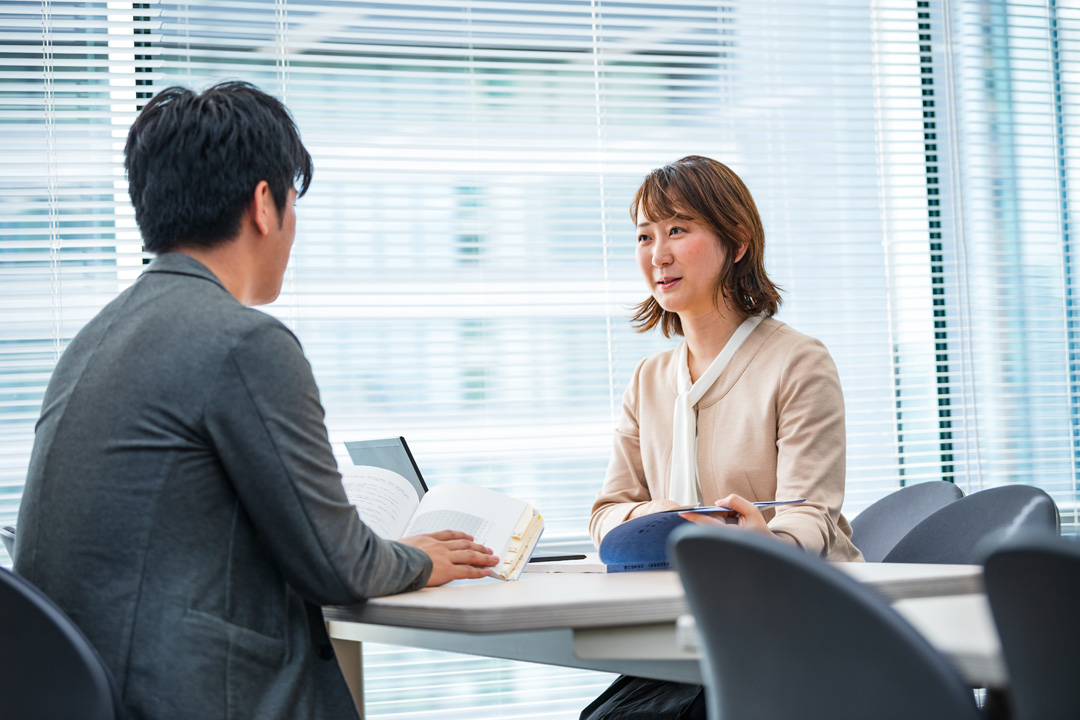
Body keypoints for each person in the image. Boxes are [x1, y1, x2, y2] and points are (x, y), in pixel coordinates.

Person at [14, 81, 499, 720]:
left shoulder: (96, 335)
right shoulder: (242, 341)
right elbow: (338, 566)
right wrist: (421, 558)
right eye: (295, 202)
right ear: (264, 204)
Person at [582, 156, 862, 720]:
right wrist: (648, 515)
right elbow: (606, 511)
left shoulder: (798, 362)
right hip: (691, 624)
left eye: (678, 230)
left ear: (736, 242)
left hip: (800, 623)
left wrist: (766, 545)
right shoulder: (649, 378)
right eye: (645, 235)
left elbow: (810, 514)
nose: (657, 255)